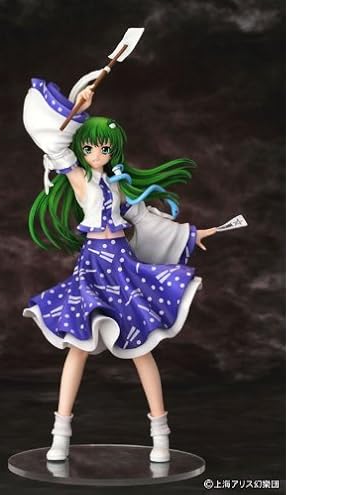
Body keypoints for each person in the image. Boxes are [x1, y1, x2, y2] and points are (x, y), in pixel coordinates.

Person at [22, 78, 217, 463]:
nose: (97, 153)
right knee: (78, 346)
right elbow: (56, 146)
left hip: (122, 265)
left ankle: (160, 436)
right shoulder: (79, 179)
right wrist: (77, 108)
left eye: (104, 148)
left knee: (142, 345)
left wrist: (192, 234)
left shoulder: (119, 186)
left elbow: (146, 219)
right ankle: (60, 436)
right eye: (90, 147)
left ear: (113, 151)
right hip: (93, 266)